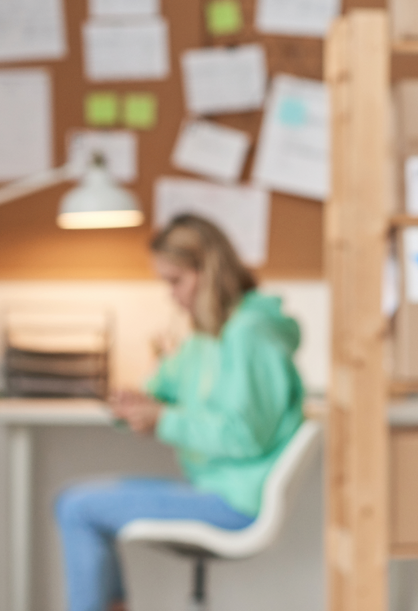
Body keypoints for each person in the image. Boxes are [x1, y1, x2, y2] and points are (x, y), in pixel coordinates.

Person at [55, 214, 304, 611]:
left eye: (176, 281)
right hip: (213, 488)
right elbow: (170, 384)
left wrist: (163, 419)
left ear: (208, 270)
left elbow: (243, 434)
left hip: (235, 500)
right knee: (77, 504)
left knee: (77, 507)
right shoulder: (209, 333)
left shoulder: (248, 334)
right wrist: (138, 403)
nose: (172, 295)